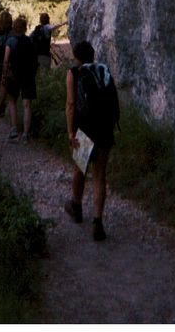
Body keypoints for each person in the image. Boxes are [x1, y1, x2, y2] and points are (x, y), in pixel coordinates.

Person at [64, 40, 119, 241]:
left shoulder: (74, 72)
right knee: (99, 174)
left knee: (80, 168)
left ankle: (77, 207)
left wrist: (71, 132)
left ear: (76, 56)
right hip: (105, 128)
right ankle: (98, 222)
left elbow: (71, 104)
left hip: (85, 129)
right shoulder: (103, 70)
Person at [1, 15, 38, 143]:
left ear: (15, 28)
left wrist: (4, 76)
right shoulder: (30, 41)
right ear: (25, 28)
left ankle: (13, 131)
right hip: (28, 76)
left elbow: (6, 60)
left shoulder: (10, 41)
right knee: (27, 105)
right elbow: (35, 60)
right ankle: (26, 135)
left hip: (14, 75)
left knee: (12, 102)